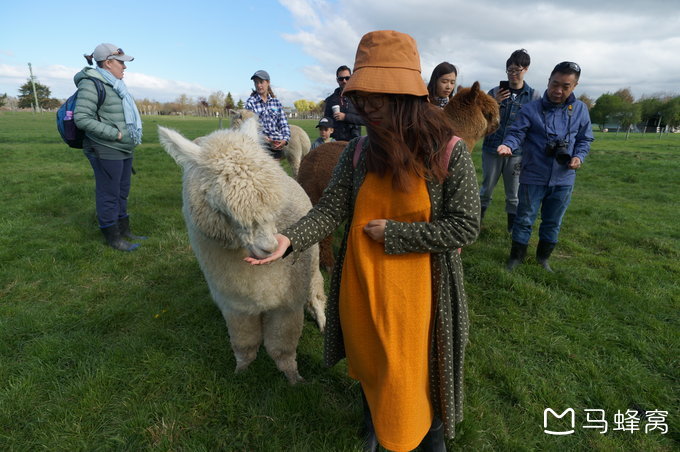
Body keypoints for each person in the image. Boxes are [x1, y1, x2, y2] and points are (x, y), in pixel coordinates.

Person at [246, 30, 480, 452]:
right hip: (363, 287)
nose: (367, 109)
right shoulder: (359, 153)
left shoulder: (447, 151)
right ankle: (375, 427)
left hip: (423, 297)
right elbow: (330, 209)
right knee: (372, 367)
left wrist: (397, 233)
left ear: (405, 97)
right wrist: (288, 240)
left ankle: (430, 438)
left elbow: (465, 226)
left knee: (418, 375)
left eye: (378, 99)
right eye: (362, 98)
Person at [497, 61, 594, 272]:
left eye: (565, 86)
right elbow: (517, 133)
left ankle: (543, 259)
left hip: (564, 177)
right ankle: (516, 258)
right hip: (533, 175)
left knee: (552, 222)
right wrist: (508, 144)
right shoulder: (530, 109)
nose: (558, 91)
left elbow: (585, 139)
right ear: (548, 81)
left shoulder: (579, 110)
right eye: (554, 84)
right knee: (524, 219)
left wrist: (579, 156)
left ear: (574, 86)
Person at [74, 43, 145, 252]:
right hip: (105, 147)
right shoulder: (91, 83)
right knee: (109, 193)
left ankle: (124, 231)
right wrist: (115, 133)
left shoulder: (116, 85)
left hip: (123, 148)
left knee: (122, 192)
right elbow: (82, 118)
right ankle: (113, 237)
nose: (125, 67)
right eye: (121, 62)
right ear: (108, 63)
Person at [480, 49, 541, 232]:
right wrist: (495, 102)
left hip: (517, 152)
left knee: (513, 194)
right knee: (486, 190)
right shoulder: (494, 91)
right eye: (510, 70)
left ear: (526, 69)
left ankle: (511, 230)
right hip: (492, 148)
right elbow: (482, 118)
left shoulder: (533, 96)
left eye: (518, 70)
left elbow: (535, 124)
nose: (513, 74)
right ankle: (477, 225)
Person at [245, 70, 291, 160]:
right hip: (259, 147)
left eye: (261, 82)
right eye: (256, 82)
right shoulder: (250, 103)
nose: (259, 85)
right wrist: (264, 139)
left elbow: (283, 123)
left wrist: (285, 140)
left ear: (268, 83)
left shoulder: (276, 102)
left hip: (276, 146)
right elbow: (250, 127)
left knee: (274, 172)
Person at [323, 65, 364, 141]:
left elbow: (365, 120)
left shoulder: (358, 98)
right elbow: (326, 121)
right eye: (341, 79)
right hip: (335, 142)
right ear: (337, 80)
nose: (344, 81)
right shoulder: (330, 100)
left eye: (347, 78)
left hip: (354, 141)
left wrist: (345, 117)